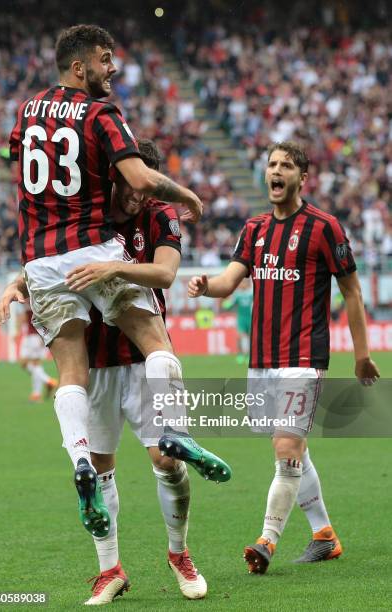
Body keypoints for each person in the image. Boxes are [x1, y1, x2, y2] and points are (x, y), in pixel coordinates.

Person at [1, 24, 229, 539]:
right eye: (106, 60)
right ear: (80, 67)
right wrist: (189, 195)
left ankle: (80, 459)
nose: (113, 69)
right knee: (156, 340)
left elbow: (20, 165)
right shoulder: (100, 113)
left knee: (69, 370)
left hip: (40, 259)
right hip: (91, 244)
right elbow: (143, 179)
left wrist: (22, 275)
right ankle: (174, 430)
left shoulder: (26, 111)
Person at [0, 140, 209, 604]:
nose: (136, 197)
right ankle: (109, 569)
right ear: (113, 178)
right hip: (96, 368)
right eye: (130, 187)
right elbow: (49, 261)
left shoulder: (157, 216)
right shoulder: (88, 215)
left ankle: (179, 554)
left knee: (167, 463)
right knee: (99, 472)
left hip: (141, 363)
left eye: (143, 190)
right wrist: (15, 283)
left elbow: (166, 273)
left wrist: (111, 268)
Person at [188, 141, 380, 572]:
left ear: (301, 178)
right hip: (262, 360)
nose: (276, 172)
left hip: (303, 355)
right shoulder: (254, 228)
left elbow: (351, 290)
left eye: (286, 166)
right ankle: (324, 536)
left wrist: (362, 355)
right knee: (294, 450)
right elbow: (230, 280)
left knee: (286, 446)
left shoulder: (324, 227)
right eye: (271, 164)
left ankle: (266, 541)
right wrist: (206, 285)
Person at [17, 304, 58, 402]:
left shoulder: (28, 303)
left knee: (28, 364)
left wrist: (17, 330)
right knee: (33, 365)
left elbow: (22, 318)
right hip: (36, 337)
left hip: (32, 338)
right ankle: (42, 387)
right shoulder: (40, 303)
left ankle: (45, 385)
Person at [223, 278, 252, 364]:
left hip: (251, 318)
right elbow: (230, 304)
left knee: (251, 338)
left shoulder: (252, 293)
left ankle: (249, 356)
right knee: (240, 336)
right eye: (241, 282)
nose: (242, 284)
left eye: (244, 283)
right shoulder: (237, 294)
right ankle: (240, 354)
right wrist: (226, 305)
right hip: (241, 318)